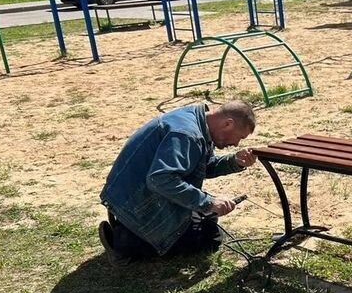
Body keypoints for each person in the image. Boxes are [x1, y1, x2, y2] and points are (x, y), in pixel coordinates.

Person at [98, 100, 258, 266]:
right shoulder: (187, 134)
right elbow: (160, 180)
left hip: (131, 196)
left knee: (206, 219)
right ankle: (125, 244)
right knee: (210, 238)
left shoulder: (197, 120)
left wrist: (235, 161)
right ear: (228, 123)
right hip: (136, 201)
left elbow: (200, 165)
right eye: (239, 137)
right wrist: (208, 202)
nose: (236, 144)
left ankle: (127, 230)